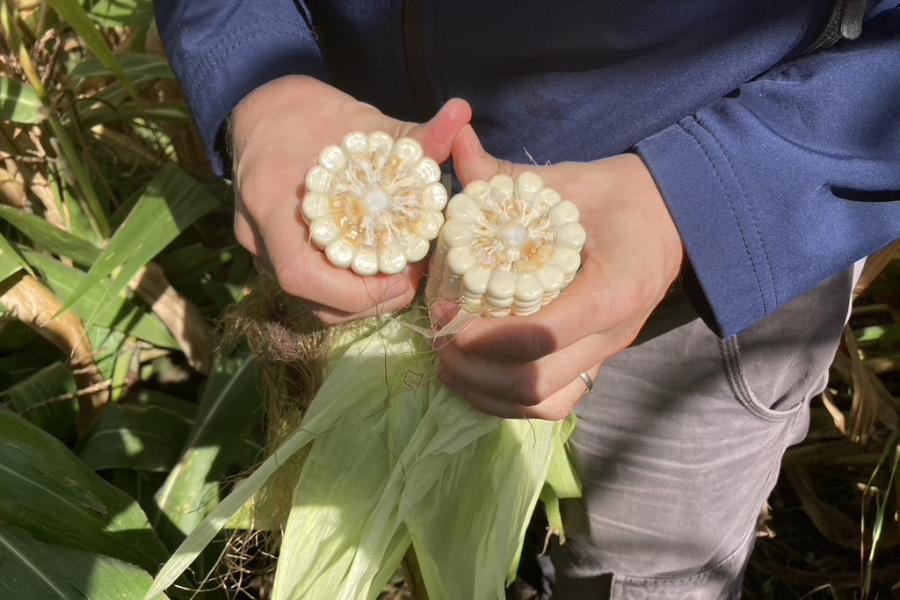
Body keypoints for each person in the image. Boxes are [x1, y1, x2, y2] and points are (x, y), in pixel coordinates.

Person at [154, 1, 900, 597]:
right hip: (373, 204)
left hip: (716, 278)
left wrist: (707, 197)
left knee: (643, 575)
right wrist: (259, 71)